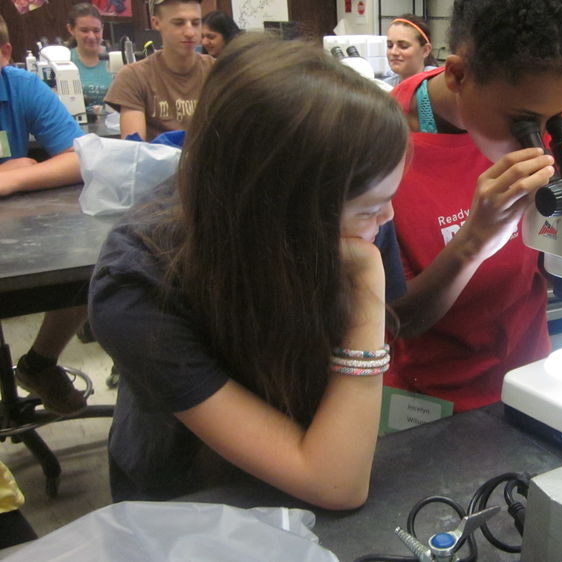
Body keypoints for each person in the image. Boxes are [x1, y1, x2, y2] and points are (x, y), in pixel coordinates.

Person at [88, 33, 408, 507]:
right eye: (369, 208)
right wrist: (366, 286)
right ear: (281, 213)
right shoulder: (138, 287)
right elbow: (335, 484)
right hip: (191, 503)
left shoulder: (349, 216)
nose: (387, 221)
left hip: (322, 456)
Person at [384, 0, 562, 413]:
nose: (540, 139)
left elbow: (561, 270)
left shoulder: (543, 100)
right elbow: (393, 322)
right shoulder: (379, 145)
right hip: (427, 401)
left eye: (555, 118)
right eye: (523, 123)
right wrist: (473, 241)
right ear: (458, 75)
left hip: (532, 374)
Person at [0, 15, 90, 416]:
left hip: (16, 229)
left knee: (92, 261)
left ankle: (39, 363)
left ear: (4, 55)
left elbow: (82, 157)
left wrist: (17, 178)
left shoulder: (20, 86)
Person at [104, 0, 213, 140]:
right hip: (157, 161)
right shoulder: (134, 76)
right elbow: (134, 151)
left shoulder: (217, 71)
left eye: (196, 23)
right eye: (179, 23)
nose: (190, 32)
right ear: (156, 23)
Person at [66, 2, 113, 110]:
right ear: (71, 29)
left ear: (102, 29)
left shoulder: (116, 59)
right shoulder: (64, 61)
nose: (91, 36)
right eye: (84, 30)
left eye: (96, 31)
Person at [382, 14, 436, 88]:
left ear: (425, 50)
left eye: (403, 46)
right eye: (390, 46)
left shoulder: (438, 85)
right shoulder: (384, 88)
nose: (393, 52)